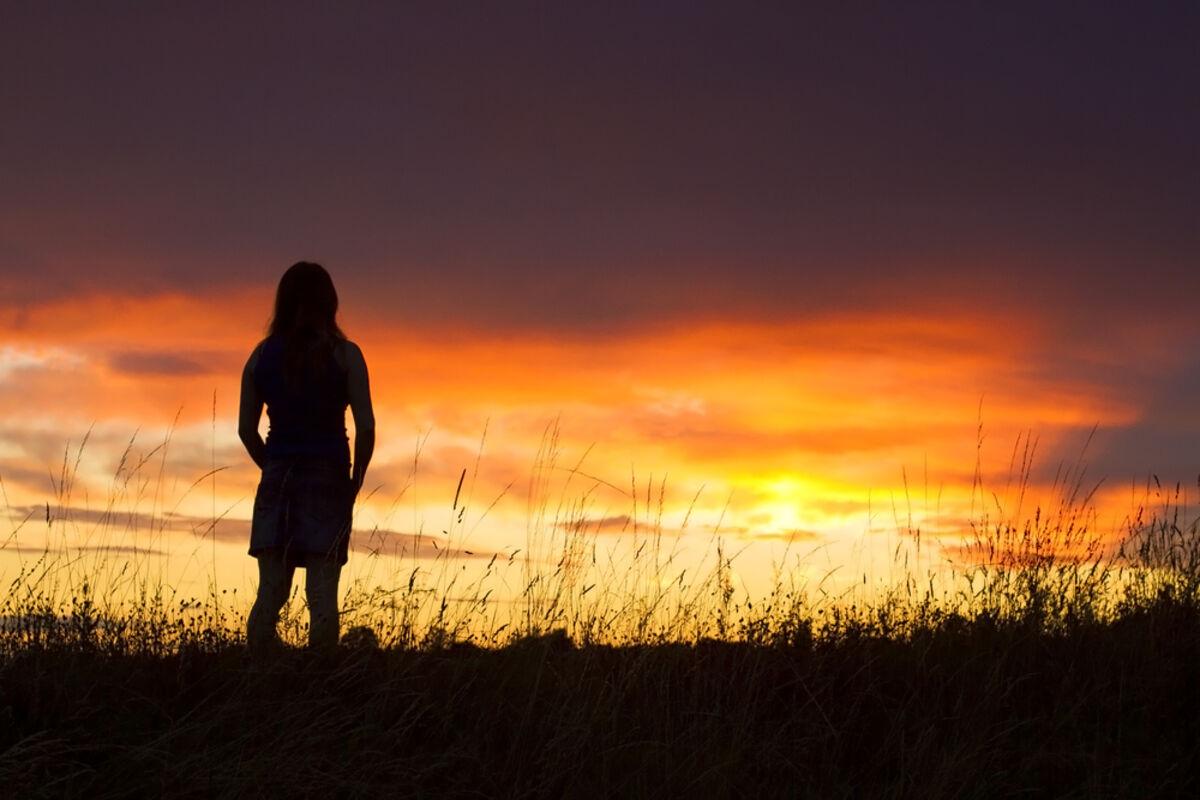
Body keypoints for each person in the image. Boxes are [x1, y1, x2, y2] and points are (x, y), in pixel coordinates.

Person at [239, 262, 375, 650]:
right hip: (328, 481)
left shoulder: (261, 356)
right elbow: (366, 427)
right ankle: (321, 678)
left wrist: (273, 467)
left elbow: (246, 430)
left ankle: (258, 674)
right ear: (329, 301)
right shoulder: (346, 355)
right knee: (322, 595)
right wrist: (354, 481)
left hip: (277, 480)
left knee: (271, 593)